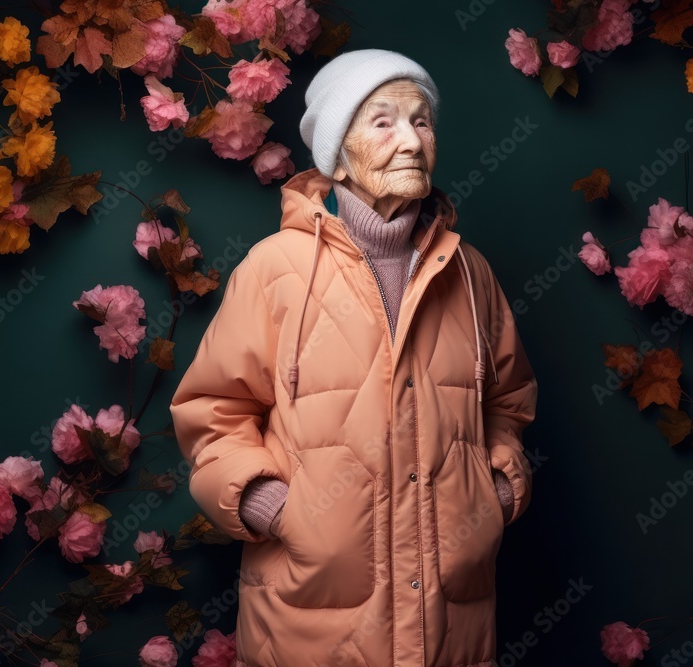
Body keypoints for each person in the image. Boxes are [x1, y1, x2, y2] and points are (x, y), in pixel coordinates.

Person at [170, 48, 538, 667]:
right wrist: (274, 507)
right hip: (308, 619)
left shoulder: (470, 273)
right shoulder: (274, 270)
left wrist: (494, 493)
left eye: (422, 122)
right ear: (337, 152)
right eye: (384, 121)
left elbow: (508, 403)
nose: (413, 141)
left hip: (453, 621)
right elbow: (213, 412)